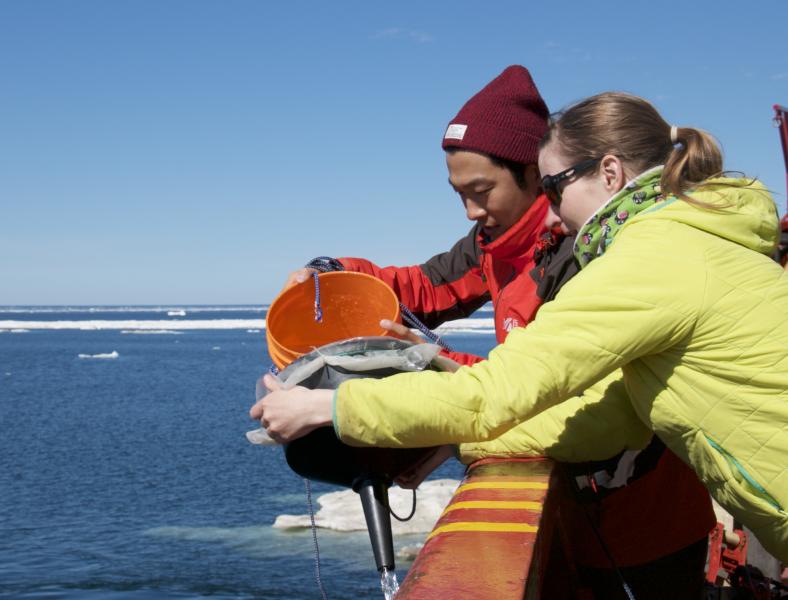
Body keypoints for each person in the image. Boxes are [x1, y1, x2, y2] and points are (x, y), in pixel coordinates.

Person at [251, 90, 788, 563]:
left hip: (642, 513)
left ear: (607, 173)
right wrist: (334, 274)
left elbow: (502, 392)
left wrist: (327, 407)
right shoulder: (684, 237)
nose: (552, 216)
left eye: (554, 189)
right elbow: (603, 413)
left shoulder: (639, 261)